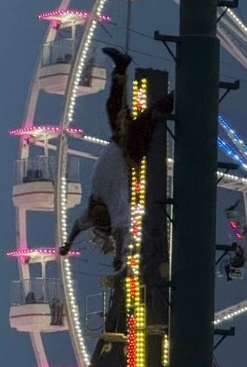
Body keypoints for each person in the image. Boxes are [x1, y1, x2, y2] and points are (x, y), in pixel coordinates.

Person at [59, 48, 172, 269]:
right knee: (151, 115)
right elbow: (122, 232)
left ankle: (121, 66)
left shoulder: (93, 204)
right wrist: (119, 256)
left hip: (118, 139)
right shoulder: (116, 205)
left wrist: (68, 244)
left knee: (113, 106)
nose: (95, 214)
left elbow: (77, 225)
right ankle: (181, 95)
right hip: (130, 150)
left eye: (95, 217)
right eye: (100, 219)